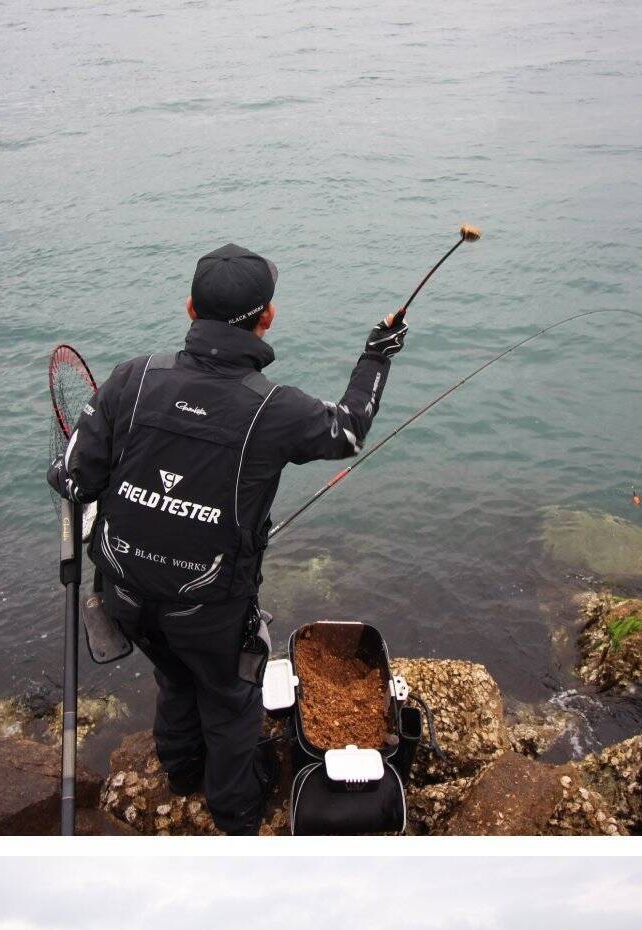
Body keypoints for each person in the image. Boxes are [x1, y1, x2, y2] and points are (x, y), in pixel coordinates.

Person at [47, 242, 409, 835]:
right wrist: (377, 355)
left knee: (173, 674)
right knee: (227, 697)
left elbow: (72, 479)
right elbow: (348, 430)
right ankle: (234, 812)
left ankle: (182, 772)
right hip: (209, 609)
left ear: (190, 308)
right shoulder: (277, 409)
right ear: (267, 318)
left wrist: (66, 469)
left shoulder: (130, 381)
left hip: (126, 596)